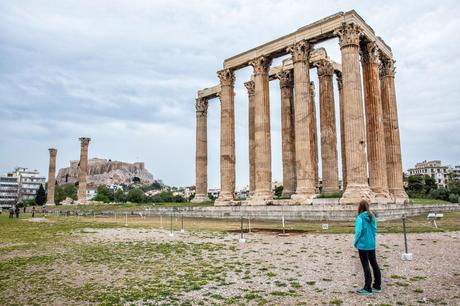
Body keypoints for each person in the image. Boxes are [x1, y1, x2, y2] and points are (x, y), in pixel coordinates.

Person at [354, 200, 381, 295]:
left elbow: (358, 232)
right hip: (371, 244)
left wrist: (355, 242)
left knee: (365, 265)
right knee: (374, 264)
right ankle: (377, 286)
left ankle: (367, 288)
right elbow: (375, 230)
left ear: (360, 207)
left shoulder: (360, 217)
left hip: (363, 244)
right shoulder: (372, 216)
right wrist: (372, 240)